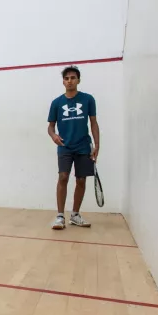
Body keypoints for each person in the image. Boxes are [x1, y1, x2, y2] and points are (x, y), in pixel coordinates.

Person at [47, 65, 100, 230]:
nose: (69, 81)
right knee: (63, 177)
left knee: (81, 180)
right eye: (66, 78)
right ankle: (60, 216)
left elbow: (93, 123)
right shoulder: (56, 103)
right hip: (65, 147)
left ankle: (75, 215)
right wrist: (54, 136)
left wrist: (97, 145)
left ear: (78, 80)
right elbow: (50, 127)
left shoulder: (88, 99)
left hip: (84, 146)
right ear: (63, 81)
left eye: (73, 78)